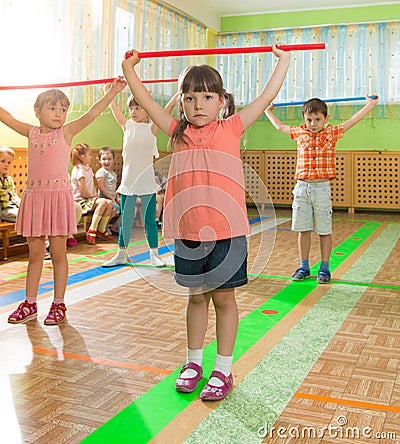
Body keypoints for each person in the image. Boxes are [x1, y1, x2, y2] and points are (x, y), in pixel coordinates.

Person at [122, 44, 290, 400]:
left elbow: (266, 95)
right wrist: (129, 68)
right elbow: (145, 99)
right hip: (188, 231)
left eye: (207, 97)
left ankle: (223, 370)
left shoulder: (232, 127)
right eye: (190, 98)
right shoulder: (175, 131)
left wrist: (284, 60)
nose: (199, 106)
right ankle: (193, 362)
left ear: (221, 101)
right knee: (196, 298)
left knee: (224, 299)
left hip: (227, 232)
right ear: (181, 102)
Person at [1, 77, 126, 325]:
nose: (59, 113)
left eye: (63, 109)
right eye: (52, 108)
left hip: (57, 199)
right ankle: (30, 302)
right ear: (37, 112)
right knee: (35, 254)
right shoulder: (31, 131)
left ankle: (59, 304)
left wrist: (113, 91)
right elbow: (7, 117)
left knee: (58, 254)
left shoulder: (66, 133)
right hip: (35, 198)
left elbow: (91, 114)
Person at [265, 95, 378, 284]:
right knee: (303, 229)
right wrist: (268, 111)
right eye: (309, 119)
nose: (313, 123)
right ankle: (303, 266)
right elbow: (280, 126)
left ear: (326, 118)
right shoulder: (300, 133)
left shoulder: (332, 133)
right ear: (304, 119)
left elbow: (353, 120)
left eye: (317, 119)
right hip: (302, 189)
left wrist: (370, 105)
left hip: (322, 189)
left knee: (324, 230)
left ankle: (324, 268)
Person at [101, 84, 178, 268]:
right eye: (131, 108)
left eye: (138, 107)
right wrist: (108, 93)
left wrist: (177, 95)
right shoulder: (126, 126)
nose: (133, 112)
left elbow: (166, 110)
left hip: (146, 182)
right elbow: (114, 108)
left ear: (146, 109)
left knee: (149, 220)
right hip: (128, 181)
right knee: (125, 220)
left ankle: (154, 254)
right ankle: (121, 254)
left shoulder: (152, 128)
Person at [70, 143, 114, 245]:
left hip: (89, 199)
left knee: (109, 203)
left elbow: (92, 186)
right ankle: (92, 230)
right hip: (81, 200)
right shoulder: (79, 170)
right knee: (103, 202)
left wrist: (95, 195)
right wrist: (92, 196)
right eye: (89, 155)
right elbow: (82, 189)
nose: (91, 157)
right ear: (82, 156)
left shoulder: (87, 169)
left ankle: (101, 230)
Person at [95, 146, 120, 233]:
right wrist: (111, 198)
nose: (107, 161)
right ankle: (103, 225)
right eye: (104, 159)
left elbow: (114, 188)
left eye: (109, 159)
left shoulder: (113, 174)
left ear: (113, 159)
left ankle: (115, 225)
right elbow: (101, 187)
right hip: (105, 199)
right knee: (115, 209)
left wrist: (117, 197)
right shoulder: (101, 172)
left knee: (124, 207)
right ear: (100, 161)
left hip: (112, 199)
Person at [0, 146, 21, 222]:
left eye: (9, 162)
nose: (6, 164)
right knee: (23, 216)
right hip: (3, 210)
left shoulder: (9, 179)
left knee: (30, 213)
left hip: (13, 207)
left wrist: (23, 207)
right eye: (3, 161)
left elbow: (14, 196)